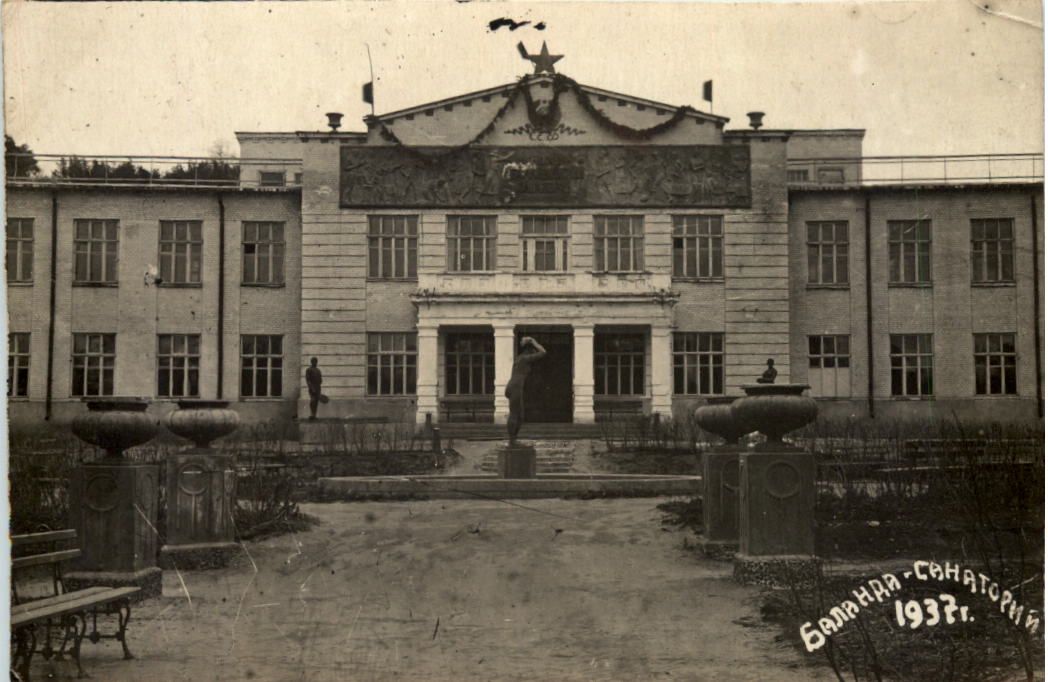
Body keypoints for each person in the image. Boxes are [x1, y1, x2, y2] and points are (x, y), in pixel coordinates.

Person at [505, 336, 547, 445]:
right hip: (516, 387)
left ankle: (513, 438)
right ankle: (512, 440)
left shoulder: (520, 358)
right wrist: (533, 341)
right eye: (533, 351)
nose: (534, 354)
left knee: (520, 416)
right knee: (515, 414)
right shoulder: (525, 358)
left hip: (513, 386)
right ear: (530, 350)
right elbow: (543, 352)